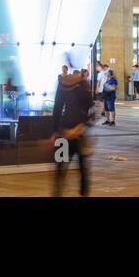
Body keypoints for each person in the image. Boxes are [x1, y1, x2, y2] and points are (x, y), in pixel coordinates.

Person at [50, 65, 95, 196]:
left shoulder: (81, 85)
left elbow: (91, 110)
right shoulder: (68, 85)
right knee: (61, 168)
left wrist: (80, 127)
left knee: (81, 168)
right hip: (66, 134)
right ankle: (59, 193)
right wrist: (55, 132)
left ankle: (82, 193)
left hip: (77, 134)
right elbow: (57, 109)